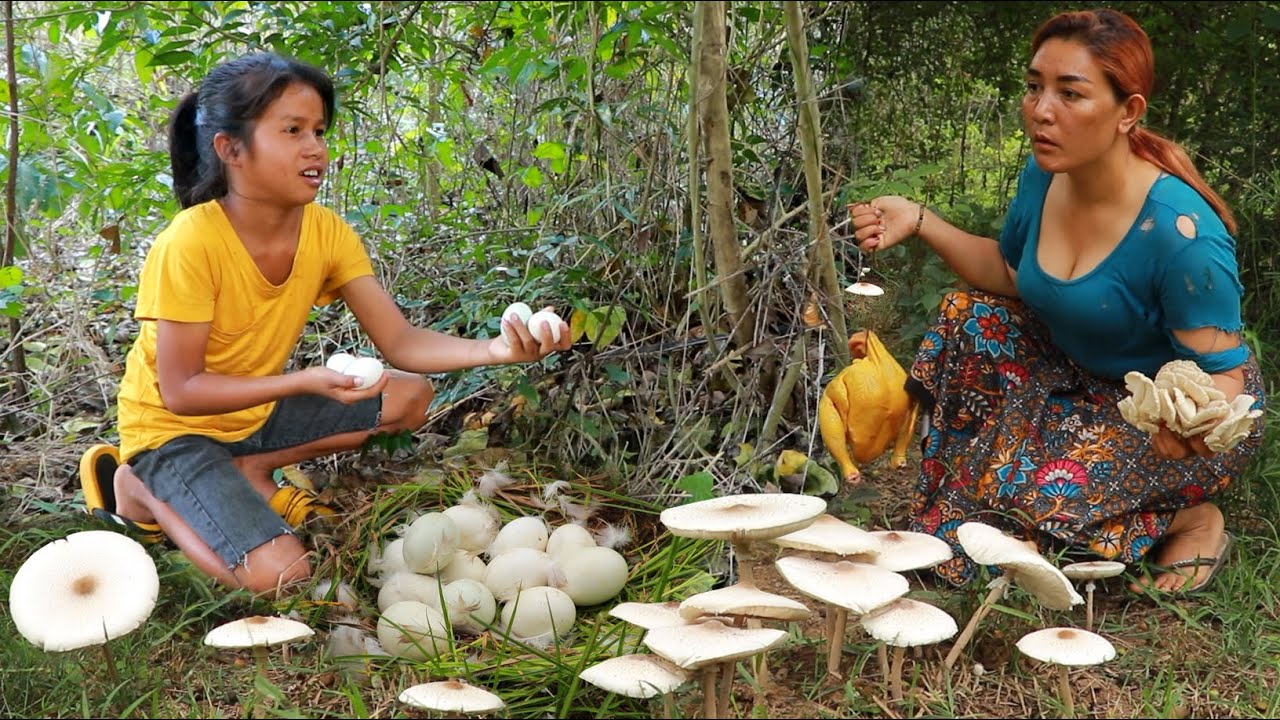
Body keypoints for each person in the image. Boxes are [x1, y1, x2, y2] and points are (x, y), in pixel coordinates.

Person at [78, 52, 571, 597]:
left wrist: (497, 350)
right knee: (281, 577)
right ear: (231, 150)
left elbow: (401, 341)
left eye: (318, 130)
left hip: (253, 416)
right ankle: (139, 486)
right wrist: (302, 381)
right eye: (292, 131)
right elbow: (181, 391)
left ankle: (248, 472)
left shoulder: (326, 232)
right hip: (171, 432)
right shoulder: (191, 242)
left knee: (409, 396)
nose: (315, 147)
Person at [848, 8, 1265, 594]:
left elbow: (1225, 378)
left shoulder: (1180, 234)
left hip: (1157, 416)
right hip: (1070, 377)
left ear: (1128, 112)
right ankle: (980, 497)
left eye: (1070, 93)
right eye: (1034, 87)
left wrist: (1185, 429)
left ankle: (1189, 518)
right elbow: (1011, 275)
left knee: (1030, 507)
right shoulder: (1045, 176)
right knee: (968, 318)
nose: (1041, 110)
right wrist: (920, 220)